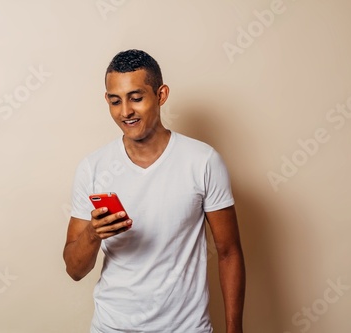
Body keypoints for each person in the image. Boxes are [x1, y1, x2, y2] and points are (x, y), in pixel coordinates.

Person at [63, 49, 245, 333]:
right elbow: (74, 270)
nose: (125, 111)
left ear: (161, 95)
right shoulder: (93, 167)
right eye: (115, 101)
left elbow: (229, 252)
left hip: (186, 328)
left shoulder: (203, 161)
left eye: (136, 98)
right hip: (112, 327)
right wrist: (93, 233)